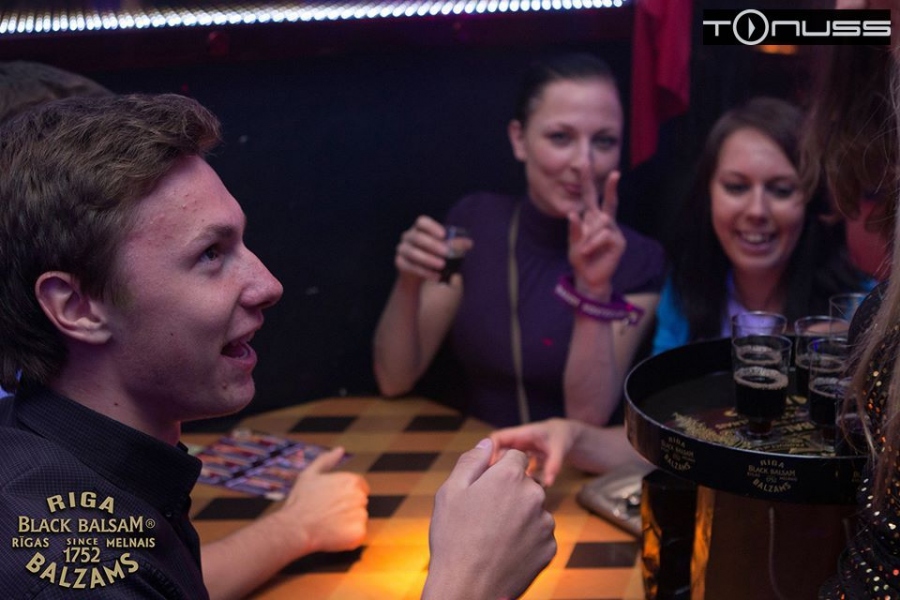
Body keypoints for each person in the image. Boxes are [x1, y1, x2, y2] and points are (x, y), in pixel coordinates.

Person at [0, 94, 555, 599]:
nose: (268, 286)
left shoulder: (69, 471)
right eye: (211, 254)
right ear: (77, 307)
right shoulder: (59, 560)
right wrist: (470, 582)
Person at [373, 53, 666, 428]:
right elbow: (394, 379)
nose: (584, 162)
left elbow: (587, 419)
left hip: (570, 462)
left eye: (604, 141)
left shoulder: (638, 259)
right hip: (475, 453)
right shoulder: (475, 223)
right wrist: (409, 281)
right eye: (560, 137)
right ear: (519, 139)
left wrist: (593, 290)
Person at [653, 96, 873, 355]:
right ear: (708, 195)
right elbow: (659, 379)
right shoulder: (685, 287)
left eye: (781, 190)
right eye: (737, 187)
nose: (757, 210)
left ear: (811, 201)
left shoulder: (859, 305)